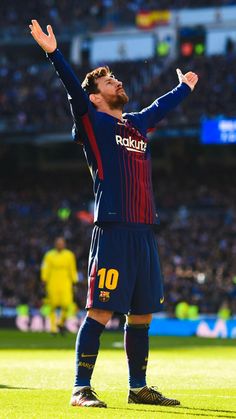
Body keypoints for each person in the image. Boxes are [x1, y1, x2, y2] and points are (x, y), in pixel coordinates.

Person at [30, 19, 198, 408]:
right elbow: (74, 89)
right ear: (96, 98)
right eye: (109, 83)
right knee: (101, 310)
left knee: (141, 316)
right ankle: (80, 387)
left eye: (117, 79)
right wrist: (54, 53)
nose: (117, 83)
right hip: (114, 230)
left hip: (144, 232)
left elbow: (159, 108)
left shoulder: (136, 125)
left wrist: (184, 87)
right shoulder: (94, 124)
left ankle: (138, 387)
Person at [41, 237, 78, 334]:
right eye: (58, 243)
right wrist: (44, 279)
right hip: (52, 282)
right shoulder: (49, 255)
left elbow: (72, 268)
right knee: (52, 305)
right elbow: (45, 268)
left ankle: (61, 323)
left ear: (64, 244)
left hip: (66, 282)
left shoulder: (69, 255)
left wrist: (74, 280)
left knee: (66, 304)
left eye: (61, 243)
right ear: (55, 244)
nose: (60, 245)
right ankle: (53, 328)